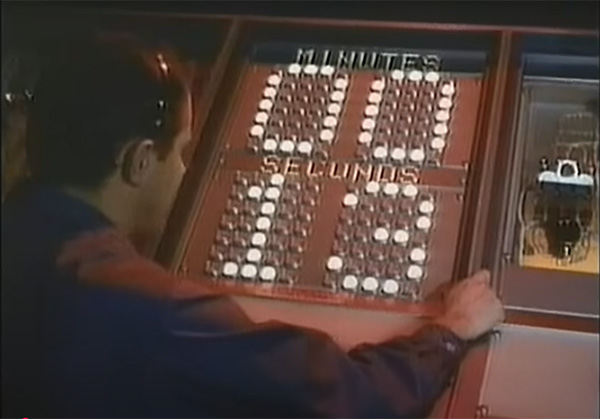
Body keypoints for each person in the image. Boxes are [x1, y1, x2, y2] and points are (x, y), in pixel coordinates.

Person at [1, 34, 504, 418]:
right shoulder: (158, 313)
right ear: (139, 161)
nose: (185, 170)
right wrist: (449, 332)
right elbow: (353, 400)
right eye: (181, 151)